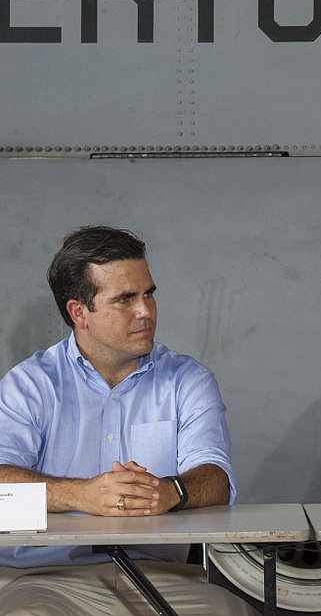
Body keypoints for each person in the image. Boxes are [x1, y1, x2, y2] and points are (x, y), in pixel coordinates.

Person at [0, 226, 256, 616]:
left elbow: (216, 479)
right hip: (42, 579)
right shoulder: (29, 385)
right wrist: (82, 495)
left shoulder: (189, 380)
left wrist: (170, 491)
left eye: (148, 294)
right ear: (79, 313)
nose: (145, 311)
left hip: (160, 577)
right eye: (125, 299)